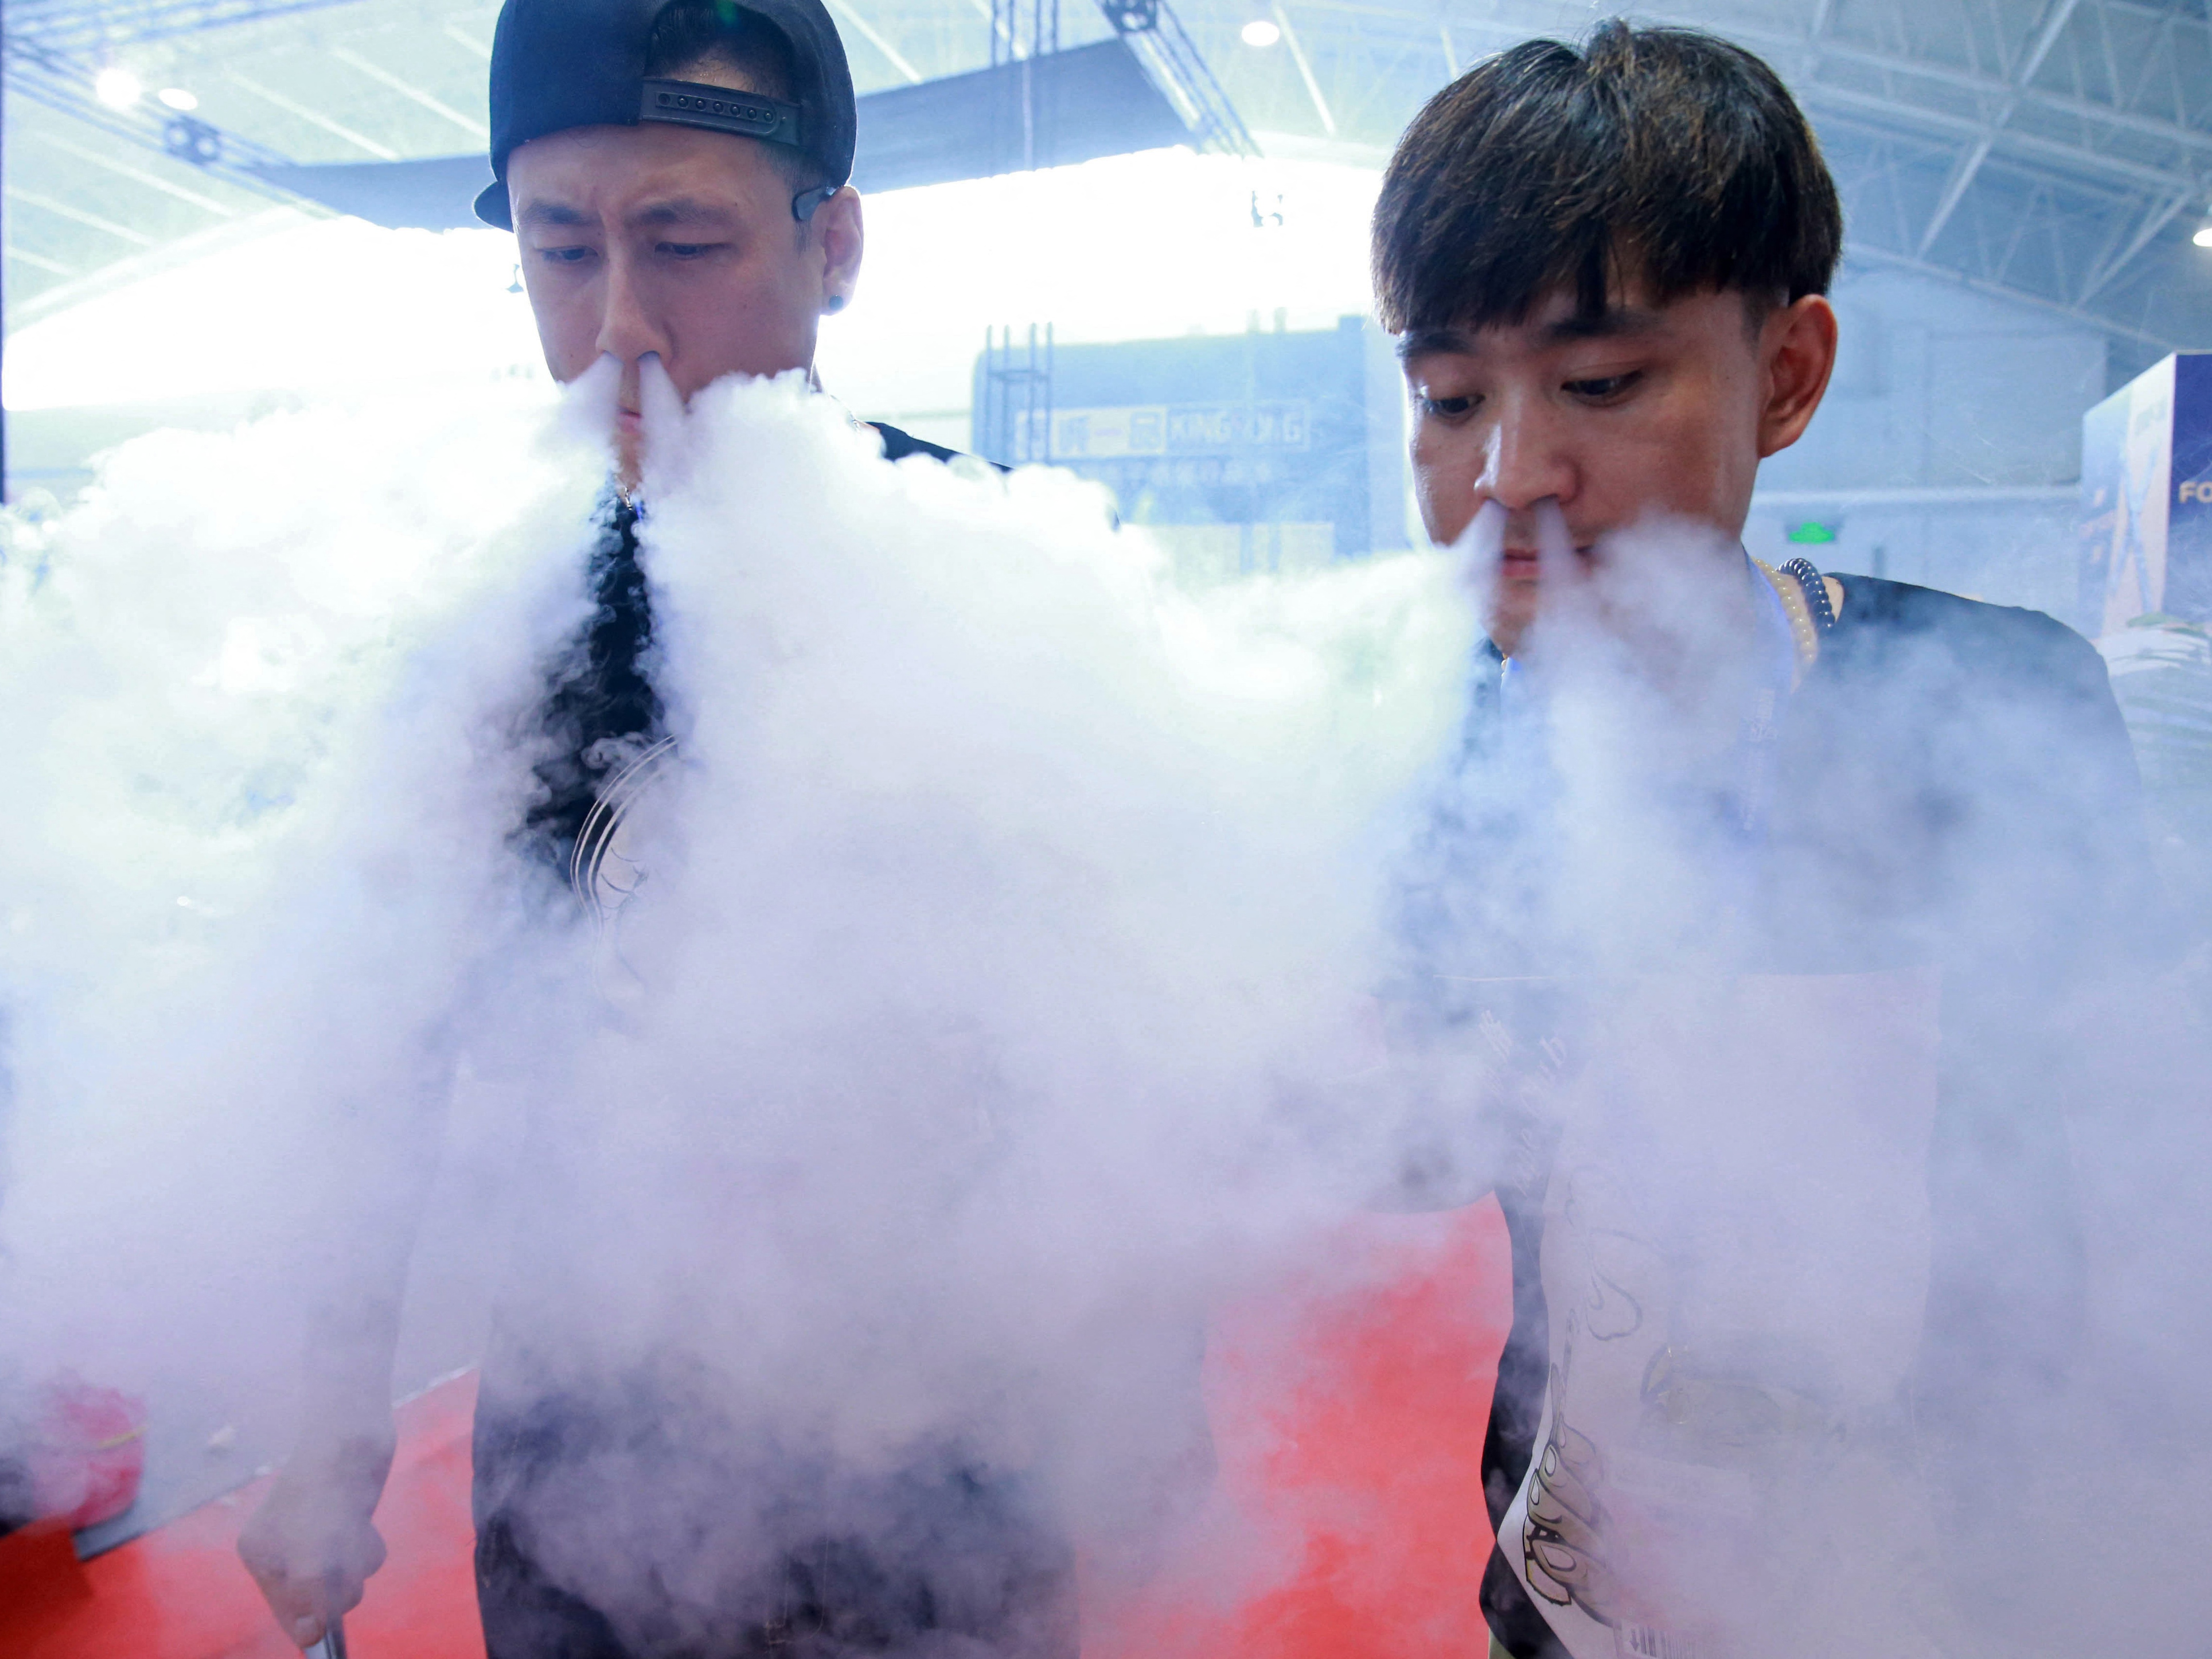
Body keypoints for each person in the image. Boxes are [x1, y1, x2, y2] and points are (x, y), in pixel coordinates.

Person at [237, 0, 1080, 1653]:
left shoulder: (1003, 573)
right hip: (591, 1463)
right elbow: (377, 1050)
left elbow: (1139, 1035)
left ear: (834, 244)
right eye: (559, 253)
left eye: (684, 245)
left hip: (943, 1450)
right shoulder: (494, 625)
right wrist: (329, 1422)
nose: (618, 326)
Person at [1367, 22, 2161, 1659]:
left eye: (1600, 383)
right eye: (1448, 399)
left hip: (1948, 1590)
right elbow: (1402, 1150)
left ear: (1786, 375)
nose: (1511, 475)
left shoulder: (1985, 703)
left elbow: (2130, 1190)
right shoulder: (1415, 754)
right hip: (1571, 1581)